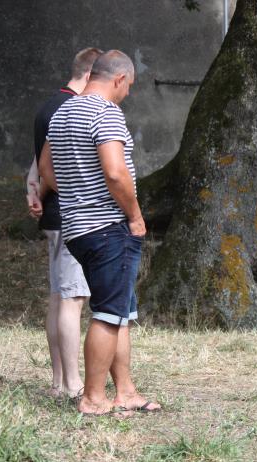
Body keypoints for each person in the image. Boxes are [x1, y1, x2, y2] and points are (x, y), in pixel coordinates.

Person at [40, 50, 160, 416]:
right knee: (108, 313)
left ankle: (124, 391)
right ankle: (93, 397)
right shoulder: (105, 112)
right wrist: (135, 217)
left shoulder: (64, 112)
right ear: (119, 79)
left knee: (120, 309)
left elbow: (46, 167)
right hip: (108, 227)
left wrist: (78, 194)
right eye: (129, 88)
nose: (127, 95)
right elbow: (115, 173)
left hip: (77, 228)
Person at [26, 47, 103, 399]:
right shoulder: (70, 107)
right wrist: (75, 194)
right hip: (71, 215)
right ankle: (73, 383)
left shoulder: (47, 106)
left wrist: (36, 193)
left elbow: (38, 161)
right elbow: (48, 164)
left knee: (59, 297)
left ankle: (58, 381)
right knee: (73, 299)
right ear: (89, 75)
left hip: (56, 215)